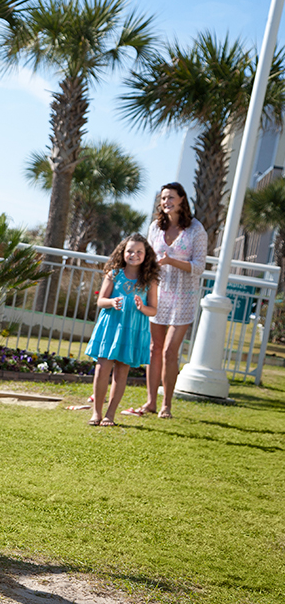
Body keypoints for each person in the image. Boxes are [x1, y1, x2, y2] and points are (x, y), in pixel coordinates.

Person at [123, 182, 207, 419]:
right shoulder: (155, 227)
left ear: (182, 199)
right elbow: (146, 258)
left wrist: (171, 261)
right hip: (158, 294)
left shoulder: (196, 230)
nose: (166, 202)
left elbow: (199, 267)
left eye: (170, 197)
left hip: (184, 297)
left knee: (170, 351)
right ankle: (150, 402)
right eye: (162, 198)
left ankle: (166, 405)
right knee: (154, 349)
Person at [84, 234, 160, 426]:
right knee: (102, 369)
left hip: (132, 330)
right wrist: (112, 302)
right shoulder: (114, 274)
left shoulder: (149, 280)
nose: (134, 255)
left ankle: (110, 414)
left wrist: (142, 307)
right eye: (130, 251)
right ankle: (97, 413)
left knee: (121, 372)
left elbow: (153, 309)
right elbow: (101, 300)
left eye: (139, 252)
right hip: (110, 326)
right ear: (123, 252)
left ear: (146, 255)